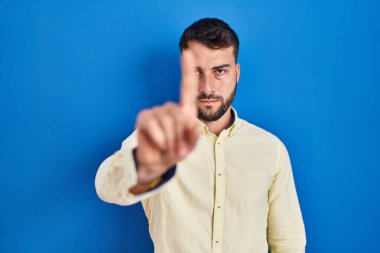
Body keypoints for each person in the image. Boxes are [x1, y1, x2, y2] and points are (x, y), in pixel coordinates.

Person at [95, 18, 306, 253]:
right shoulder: (157, 139)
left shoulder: (270, 148)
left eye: (220, 71)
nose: (207, 87)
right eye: (196, 72)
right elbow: (107, 187)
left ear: (236, 73)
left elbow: (288, 241)